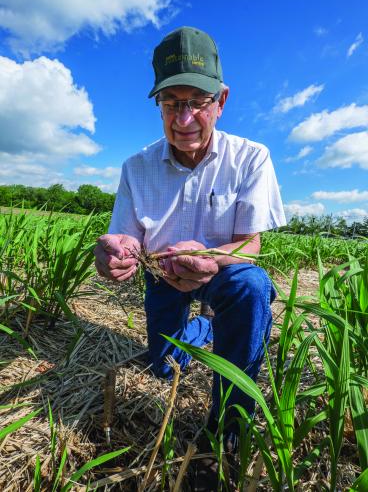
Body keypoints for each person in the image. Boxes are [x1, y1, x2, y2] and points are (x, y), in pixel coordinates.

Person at [94, 26, 286, 489]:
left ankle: (228, 428)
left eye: (197, 102)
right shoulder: (136, 167)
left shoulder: (251, 158)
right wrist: (114, 255)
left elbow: (250, 244)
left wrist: (210, 257)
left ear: (221, 100)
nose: (184, 119)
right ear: (159, 104)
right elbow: (126, 240)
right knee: (163, 364)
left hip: (222, 273)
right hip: (162, 275)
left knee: (252, 286)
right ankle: (203, 327)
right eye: (171, 103)